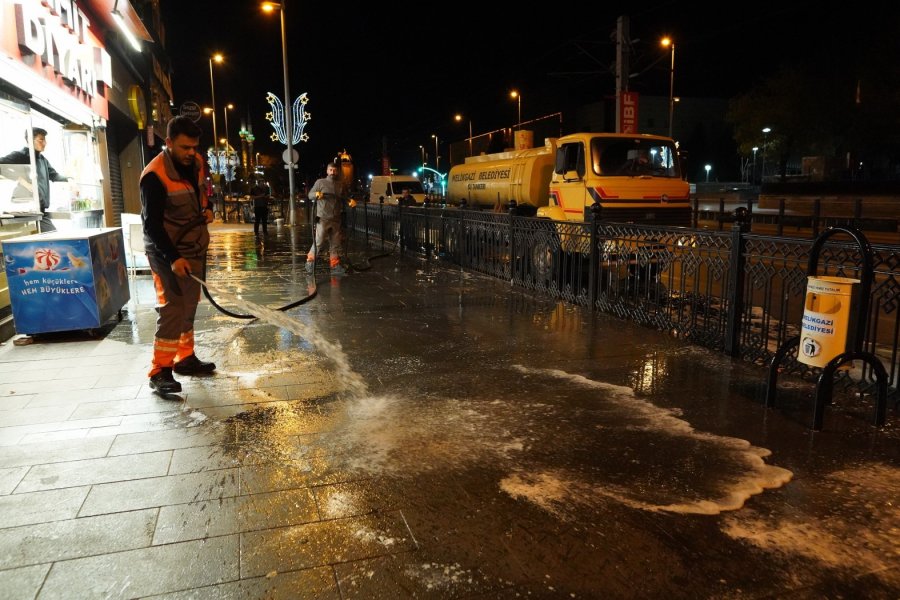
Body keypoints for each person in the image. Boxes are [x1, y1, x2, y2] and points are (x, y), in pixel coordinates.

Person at [140, 116, 216, 395]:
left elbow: (202, 194)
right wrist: (173, 257)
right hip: (165, 251)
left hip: (192, 248)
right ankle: (160, 370)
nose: (191, 153)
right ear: (169, 142)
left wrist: (209, 209)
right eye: (185, 147)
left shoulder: (196, 163)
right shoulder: (155, 176)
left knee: (189, 304)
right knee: (172, 307)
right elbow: (151, 225)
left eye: (194, 147)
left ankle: (185, 358)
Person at [0, 128, 69, 232]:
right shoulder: (20, 155)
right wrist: (21, 180)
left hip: (39, 208)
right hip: (25, 207)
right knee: (50, 234)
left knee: (48, 235)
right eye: (41, 140)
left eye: (45, 140)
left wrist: (70, 179)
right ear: (30, 140)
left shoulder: (43, 159)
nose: (45, 143)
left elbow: (54, 175)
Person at [306, 162, 347, 275]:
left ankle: (334, 265)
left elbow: (344, 197)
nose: (333, 172)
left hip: (336, 219)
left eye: (335, 170)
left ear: (337, 171)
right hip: (323, 218)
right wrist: (316, 194)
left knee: (335, 243)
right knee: (319, 241)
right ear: (327, 171)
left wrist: (350, 201)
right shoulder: (320, 182)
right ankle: (310, 262)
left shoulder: (340, 184)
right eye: (331, 170)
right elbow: (310, 195)